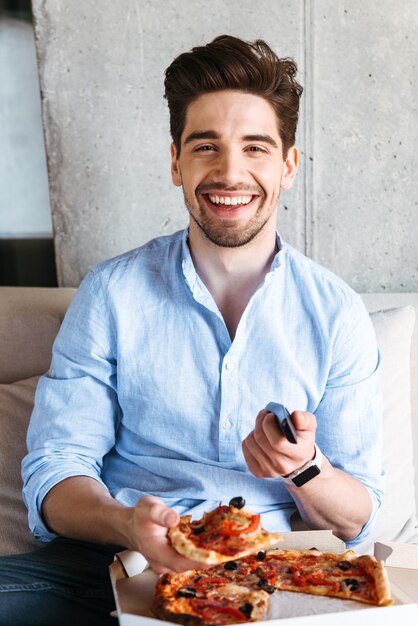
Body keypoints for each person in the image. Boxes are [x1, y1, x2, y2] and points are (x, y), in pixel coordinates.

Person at [0, 35, 383, 626]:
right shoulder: (111, 293)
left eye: (255, 147)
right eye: (207, 146)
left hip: (275, 568)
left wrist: (303, 466)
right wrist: (125, 522)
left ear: (288, 166)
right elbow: (55, 471)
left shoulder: (337, 312)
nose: (230, 172)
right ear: (176, 161)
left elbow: (359, 515)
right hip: (114, 560)